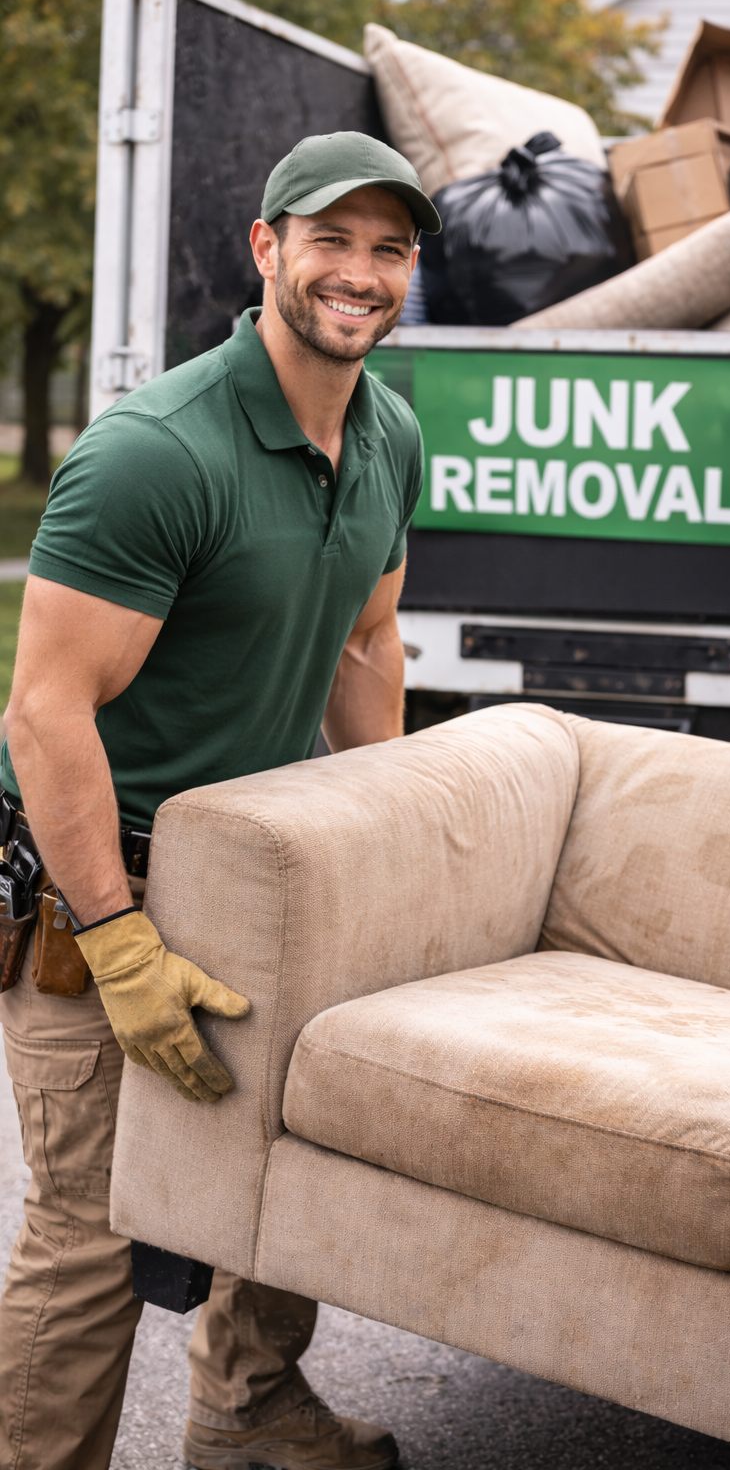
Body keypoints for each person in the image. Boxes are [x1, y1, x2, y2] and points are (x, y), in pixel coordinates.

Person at [0, 131, 441, 1470]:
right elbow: (45, 711)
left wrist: (388, 839)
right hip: (102, 896)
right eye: (332, 241)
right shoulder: (157, 451)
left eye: (390, 248)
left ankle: (247, 1414)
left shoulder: (388, 432)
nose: (359, 274)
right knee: (97, 1232)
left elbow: (368, 642)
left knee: (281, 1183)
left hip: (265, 879)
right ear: (266, 249)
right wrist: (120, 936)